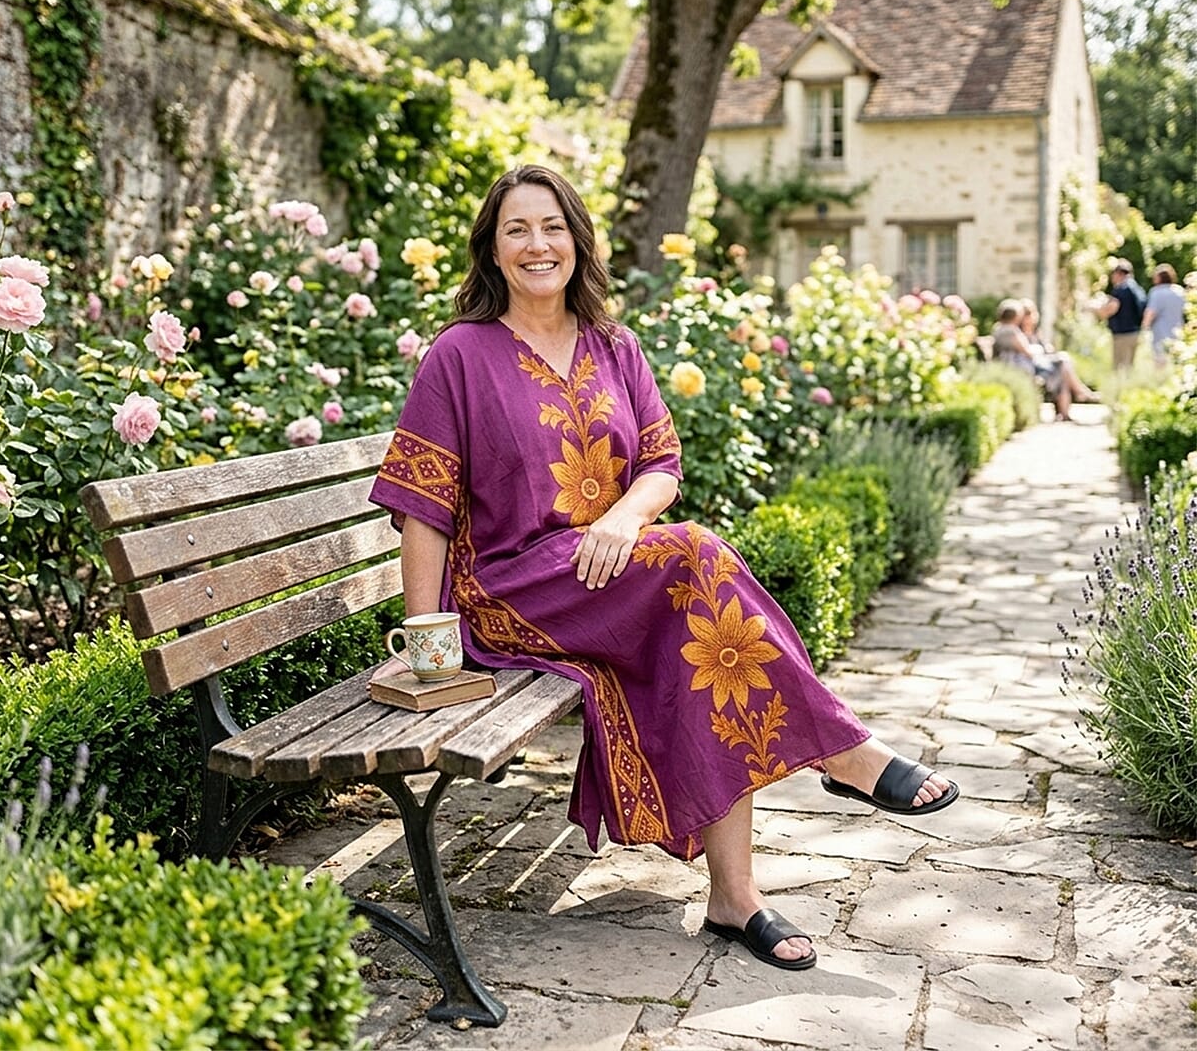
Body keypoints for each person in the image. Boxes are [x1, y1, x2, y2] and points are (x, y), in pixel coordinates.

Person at [369, 165, 957, 973]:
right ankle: (841, 754)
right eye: (517, 230)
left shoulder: (617, 346)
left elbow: (660, 461)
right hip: (509, 590)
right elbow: (423, 506)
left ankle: (733, 897)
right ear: (493, 250)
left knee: (709, 641)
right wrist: (427, 646)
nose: (538, 244)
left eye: (552, 226)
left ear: (578, 239)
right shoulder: (459, 355)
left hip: (609, 572)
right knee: (697, 558)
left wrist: (620, 517)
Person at [992, 298, 1075, 420]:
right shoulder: (1010, 331)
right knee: (1061, 367)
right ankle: (1074, 400)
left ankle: (1069, 406)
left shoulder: (1001, 329)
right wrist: (1039, 350)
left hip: (1023, 365)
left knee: (1061, 367)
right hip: (1021, 368)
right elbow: (1027, 351)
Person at [1017, 299, 1099, 413]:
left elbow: (1046, 349)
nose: (1029, 318)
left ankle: (1066, 413)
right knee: (1063, 362)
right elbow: (1028, 353)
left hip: (1045, 364)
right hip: (1034, 366)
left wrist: (1048, 349)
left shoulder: (1036, 332)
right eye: (1026, 315)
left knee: (1063, 372)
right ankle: (1081, 392)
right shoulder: (1018, 334)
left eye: (1030, 314)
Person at [1096, 258, 1146, 372]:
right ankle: (1129, 389)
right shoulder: (1137, 288)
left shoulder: (1122, 289)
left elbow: (1111, 309)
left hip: (1123, 334)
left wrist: (1095, 310)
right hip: (1135, 332)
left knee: (1119, 368)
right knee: (1129, 367)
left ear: (1119, 274)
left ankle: (1121, 389)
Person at [1142, 264, 1187, 368]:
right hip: (1178, 332)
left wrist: (1144, 328)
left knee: (1160, 365)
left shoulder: (1156, 292)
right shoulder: (1179, 291)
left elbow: (1150, 312)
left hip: (1160, 334)